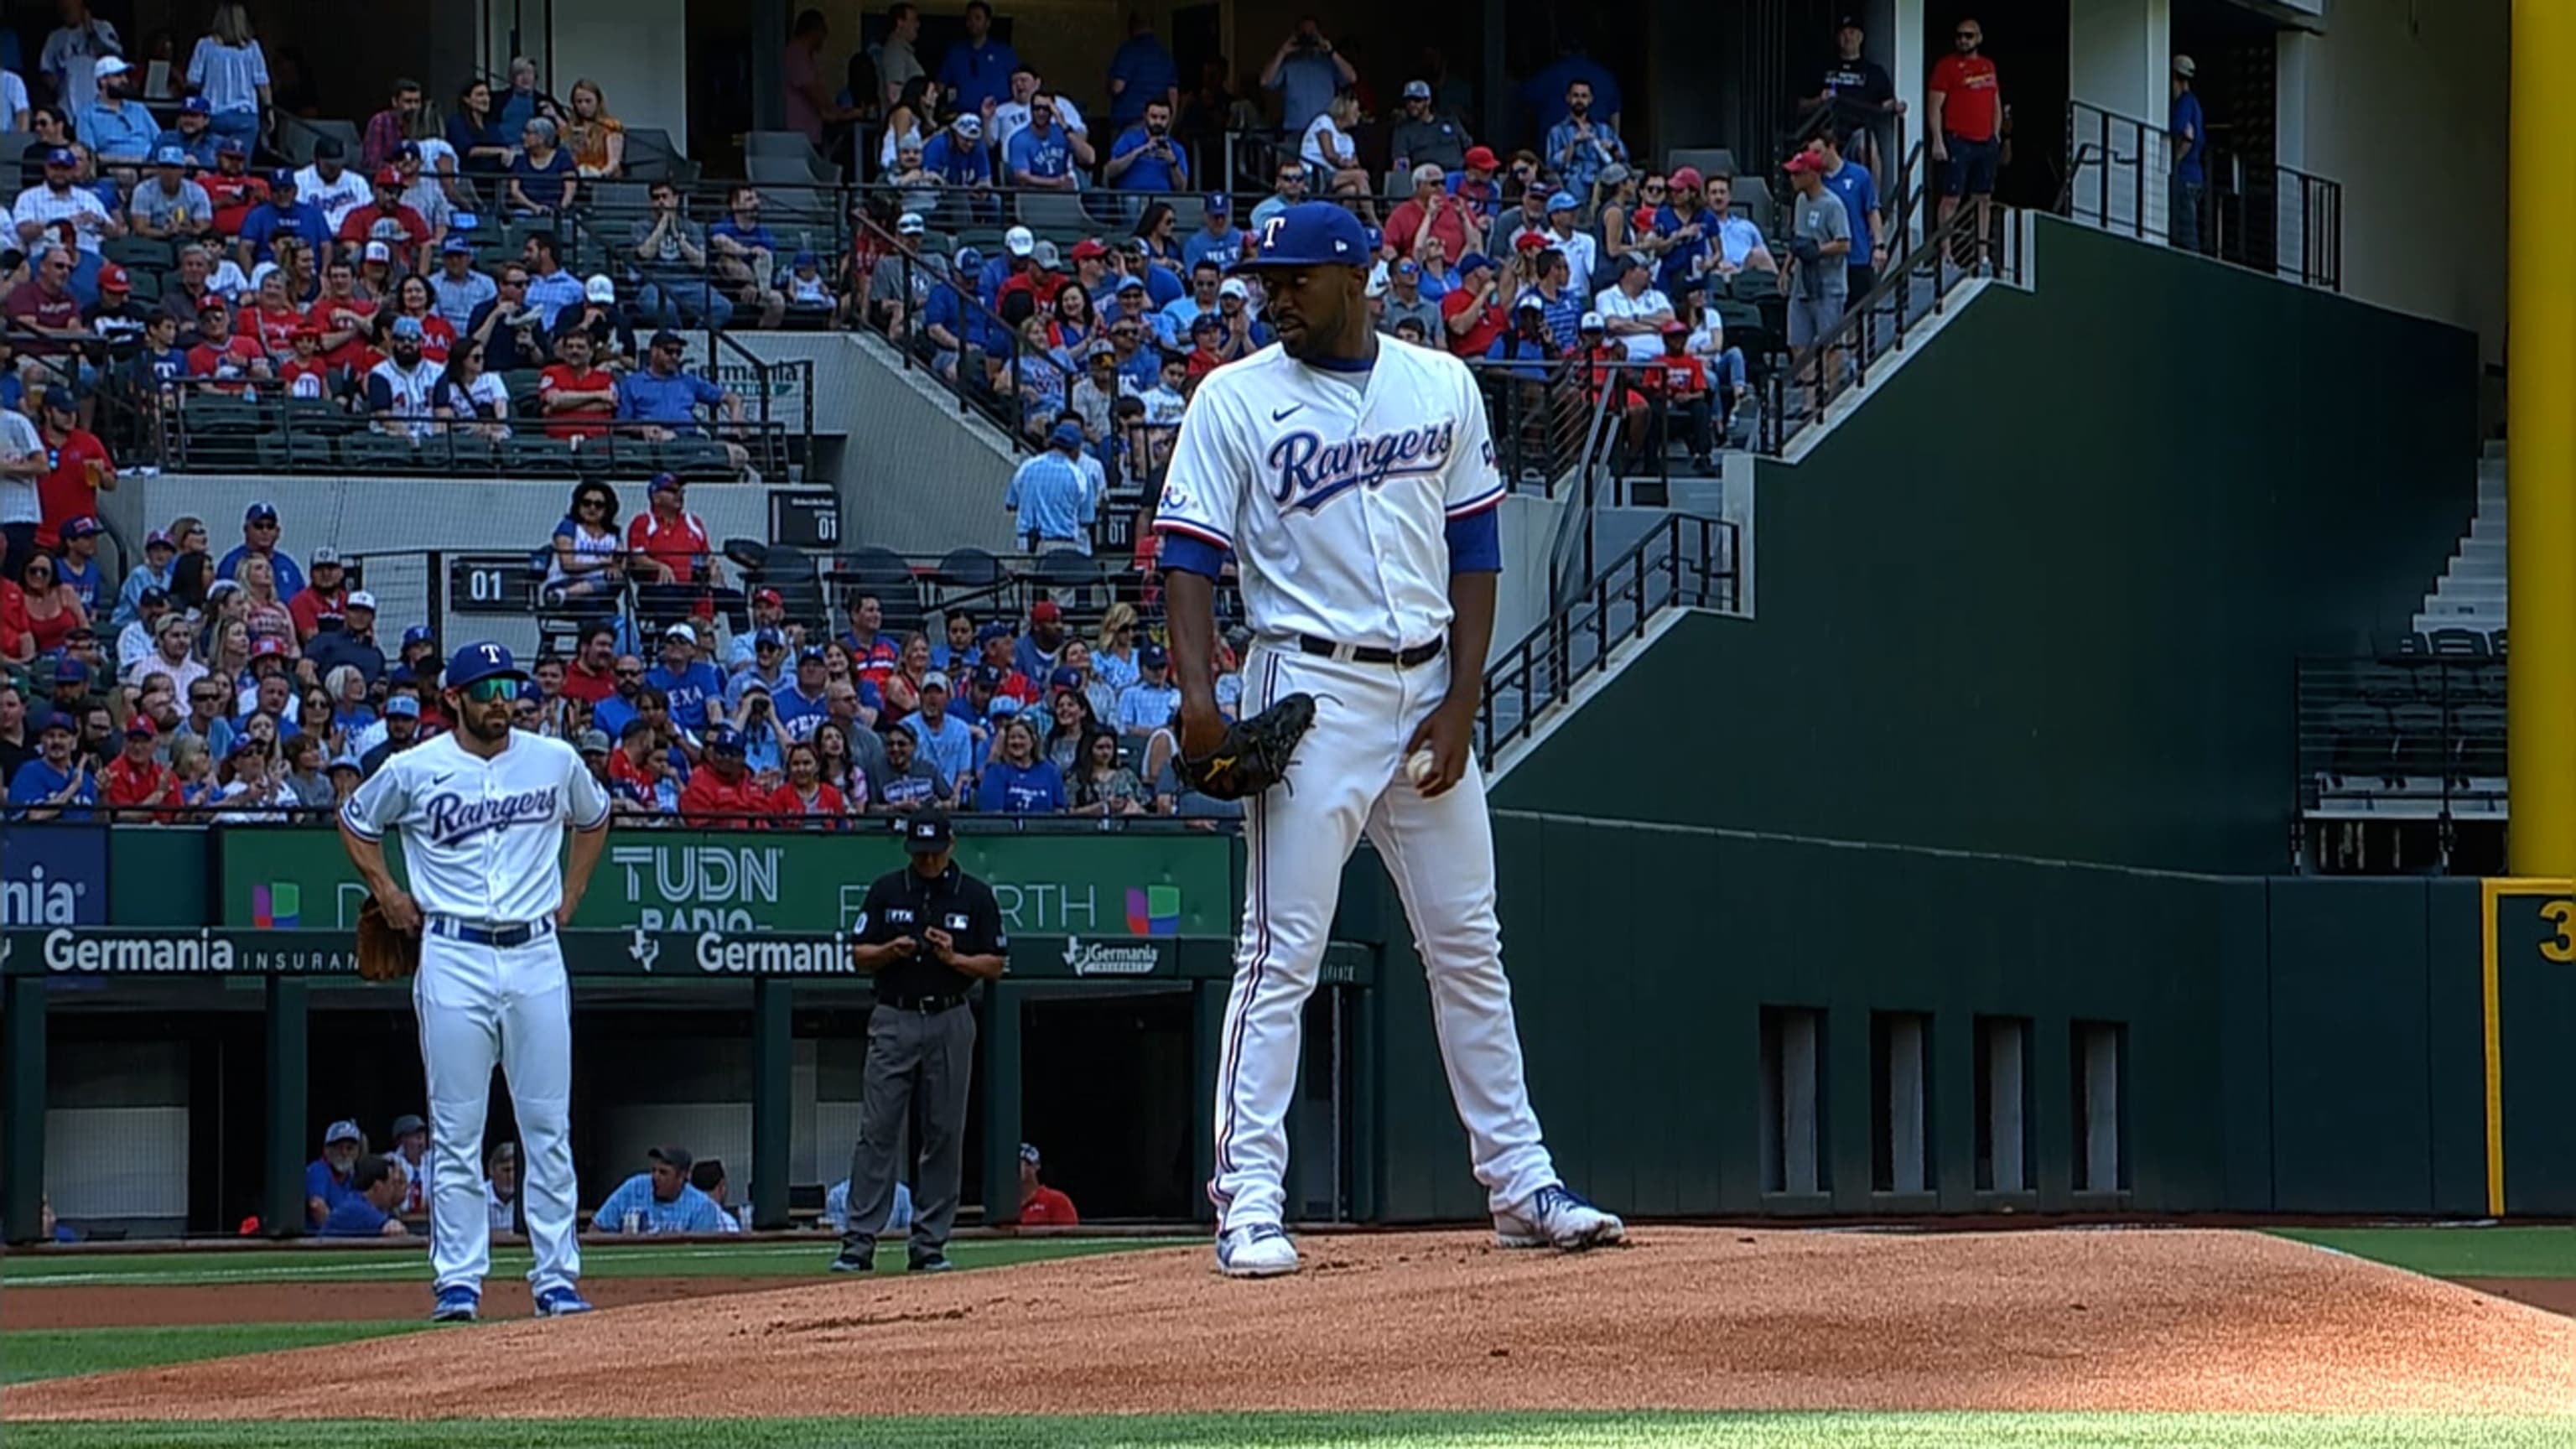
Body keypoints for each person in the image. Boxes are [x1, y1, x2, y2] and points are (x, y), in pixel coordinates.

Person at [1151, 203, 1623, 1278]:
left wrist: (1461, 705)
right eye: (1266, 280)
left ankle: (1519, 1182)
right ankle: (1250, 1202)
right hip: (1307, 685)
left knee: (1470, 948)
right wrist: (1199, 697)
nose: (1274, 296)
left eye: (1297, 277)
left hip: (1423, 694)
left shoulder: (1441, 382)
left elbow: (1477, 548)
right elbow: (1188, 556)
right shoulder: (1234, 400)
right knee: (1280, 956)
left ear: (1359, 276)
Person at [338, 641, 612, 1322]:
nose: (501, 699)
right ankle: (459, 1283)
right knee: (457, 1131)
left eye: (507, 687)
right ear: (453, 698)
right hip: (453, 952)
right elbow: (354, 819)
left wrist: (573, 893)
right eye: (485, 688)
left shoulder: (554, 759)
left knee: (546, 1125)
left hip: (535, 951)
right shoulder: (416, 767)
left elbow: (595, 816)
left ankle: (556, 1278)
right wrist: (387, 891)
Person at [829, 808, 1008, 1274]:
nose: (926, 861)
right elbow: (859, 953)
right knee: (878, 1130)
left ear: (950, 847)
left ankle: (929, 1243)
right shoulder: (889, 889)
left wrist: (954, 957)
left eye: (933, 852)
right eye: (919, 853)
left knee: (944, 1132)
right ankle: (859, 1242)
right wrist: (893, 949)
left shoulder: (974, 895)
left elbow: (996, 965)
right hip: (895, 1015)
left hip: (949, 1014)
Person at [1928, 17, 2002, 257]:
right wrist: (1938, 140)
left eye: (1969, 35)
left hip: (1985, 141)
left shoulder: (1989, 65)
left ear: (1979, 38)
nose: (1963, 40)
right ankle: (1946, 252)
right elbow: (1934, 105)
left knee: (1983, 198)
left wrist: (1996, 133)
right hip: (1958, 140)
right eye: (1959, 35)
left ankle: (1982, 253)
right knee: (1951, 197)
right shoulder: (1946, 66)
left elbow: (1995, 101)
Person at [593, 1145, 733, 1233]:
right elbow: (596, 1228)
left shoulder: (702, 1206)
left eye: (663, 1173)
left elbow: (700, 1254)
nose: (655, 1177)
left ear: (681, 1177)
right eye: (653, 1170)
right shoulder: (634, 1187)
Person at [319, 1153, 413, 1237]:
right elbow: (393, 1230)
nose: (393, 1190)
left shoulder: (375, 1208)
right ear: (378, 1187)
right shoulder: (355, 1208)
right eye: (392, 1184)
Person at [2169, 55, 2205, 254]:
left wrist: (2176, 159)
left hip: (2185, 176)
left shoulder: (2184, 102)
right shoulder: (2195, 104)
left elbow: (2184, 131)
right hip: (2196, 177)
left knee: (2186, 236)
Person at [1015, 1141, 1078, 1223]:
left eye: (1027, 1163)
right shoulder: (1000, 1207)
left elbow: (1069, 1234)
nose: (1020, 1168)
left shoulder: (1057, 1200)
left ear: (1036, 1166)